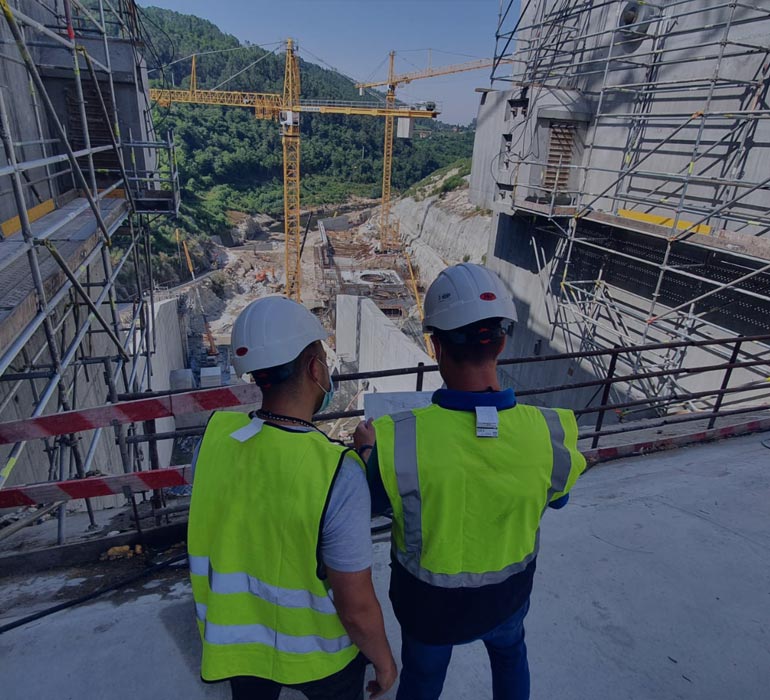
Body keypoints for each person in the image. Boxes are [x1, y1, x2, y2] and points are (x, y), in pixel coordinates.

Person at [354, 263, 586, 700]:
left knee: (422, 680)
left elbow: (370, 502)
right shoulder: (550, 431)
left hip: (430, 610)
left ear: (436, 346)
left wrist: (366, 451)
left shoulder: (393, 438)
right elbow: (559, 499)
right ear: (501, 341)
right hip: (508, 598)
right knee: (511, 655)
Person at [188, 296, 397, 700]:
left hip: (240, 642)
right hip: (320, 657)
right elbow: (355, 607)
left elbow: (259, 508)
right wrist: (385, 661)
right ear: (315, 369)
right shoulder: (337, 470)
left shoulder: (215, 437)